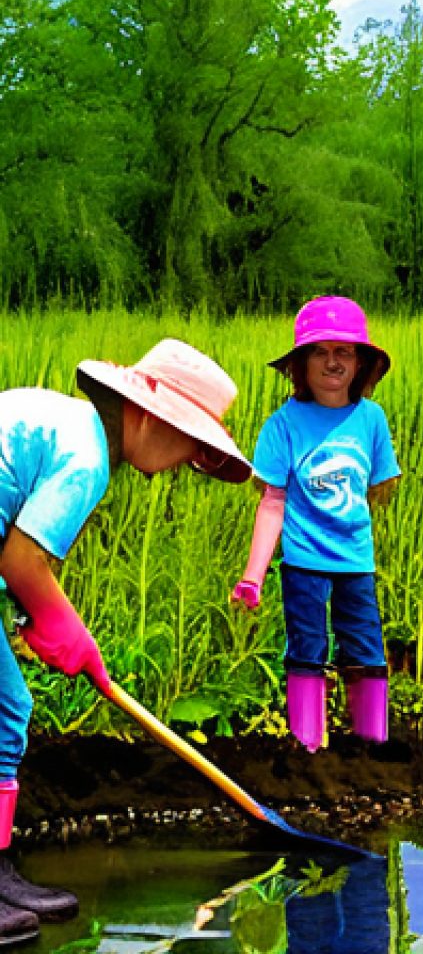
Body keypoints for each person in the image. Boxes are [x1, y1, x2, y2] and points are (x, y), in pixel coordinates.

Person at [0, 339, 251, 943]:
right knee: (5, 714)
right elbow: (22, 559)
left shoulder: (63, 421)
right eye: (189, 438)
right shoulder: (85, 458)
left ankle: (1, 871)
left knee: (10, 710)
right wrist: (65, 627)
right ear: (143, 414)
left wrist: (26, 621)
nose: (189, 457)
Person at [232, 297, 400, 753]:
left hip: (356, 562)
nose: (332, 362)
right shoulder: (282, 426)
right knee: (306, 647)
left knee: (365, 647)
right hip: (303, 562)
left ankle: (373, 743)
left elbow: (379, 487)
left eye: (343, 351)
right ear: (300, 364)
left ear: (360, 361)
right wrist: (253, 574)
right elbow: (272, 503)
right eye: (319, 351)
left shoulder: (371, 419)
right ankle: (308, 745)